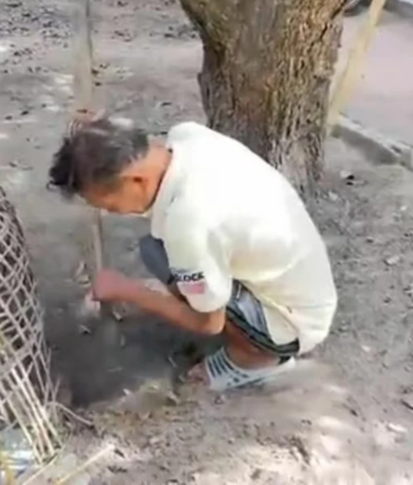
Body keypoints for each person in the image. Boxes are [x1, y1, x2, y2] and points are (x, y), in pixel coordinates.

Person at [47, 115, 338, 391]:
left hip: (291, 322)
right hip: (298, 281)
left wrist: (128, 291)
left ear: (136, 180)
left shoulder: (188, 222)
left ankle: (256, 358)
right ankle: (200, 296)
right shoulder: (186, 137)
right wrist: (92, 141)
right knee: (156, 250)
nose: (110, 212)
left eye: (109, 205)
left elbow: (209, 324)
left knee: (175, 263)